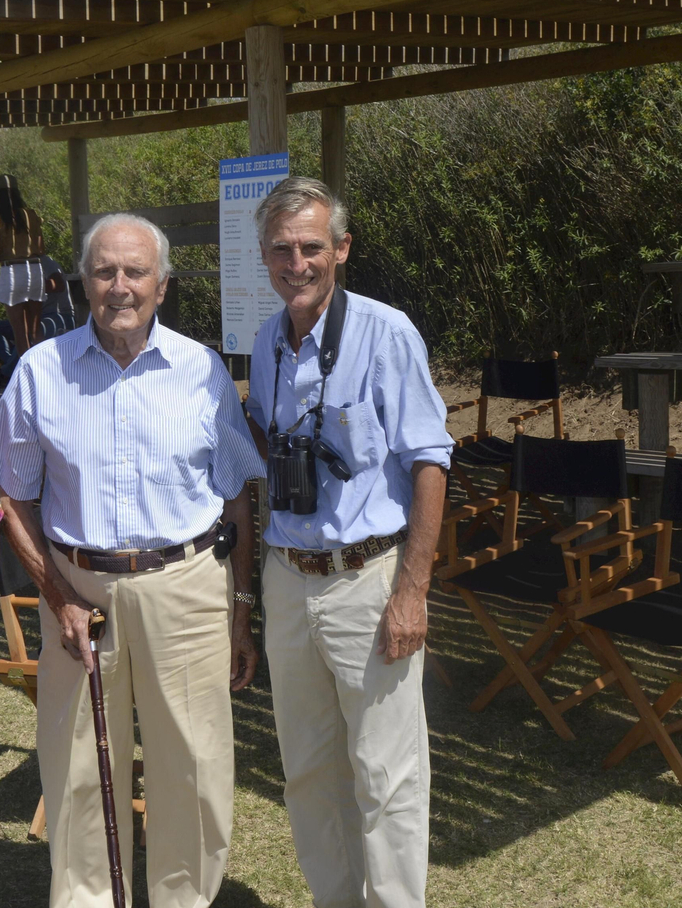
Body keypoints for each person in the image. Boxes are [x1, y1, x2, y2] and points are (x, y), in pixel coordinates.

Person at [0, 213, 261, 908]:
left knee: (192, 768)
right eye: (104, 270)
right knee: (78, 767)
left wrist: (241, 609)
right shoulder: (40, 371)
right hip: (78, 589)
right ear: (83, 281)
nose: (119, 286)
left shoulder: (202, 370)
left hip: (187, 584)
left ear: (161, 284)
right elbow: (8, 497)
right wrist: (56, 594)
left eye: (135, 271)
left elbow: (236, 498)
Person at [244, 177, 451, 908]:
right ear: (263, 255)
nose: (295, 263)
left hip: (368, 577)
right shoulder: (267, 342)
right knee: (306, 766)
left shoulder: (386, 331)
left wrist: (412, 590)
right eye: (280, 249)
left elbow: (431, 460)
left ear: (341, 249)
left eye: (310, 247)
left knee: (386, 772)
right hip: (287, 572)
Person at [0, 254, 77, 372]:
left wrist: (32, 286)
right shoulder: (14, 266)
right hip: (35, 318)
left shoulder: (45, 261)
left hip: (59, 316)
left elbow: (59, 284)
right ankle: (14, 366)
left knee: (32, 330)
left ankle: (8, 371)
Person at [0, 174, 47, 355]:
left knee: (20, 333)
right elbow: (41, 249)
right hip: (34, 270)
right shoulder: (32, 215)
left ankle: (26, 378)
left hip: (12, 271)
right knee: (36, 330)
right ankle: (46, 373)